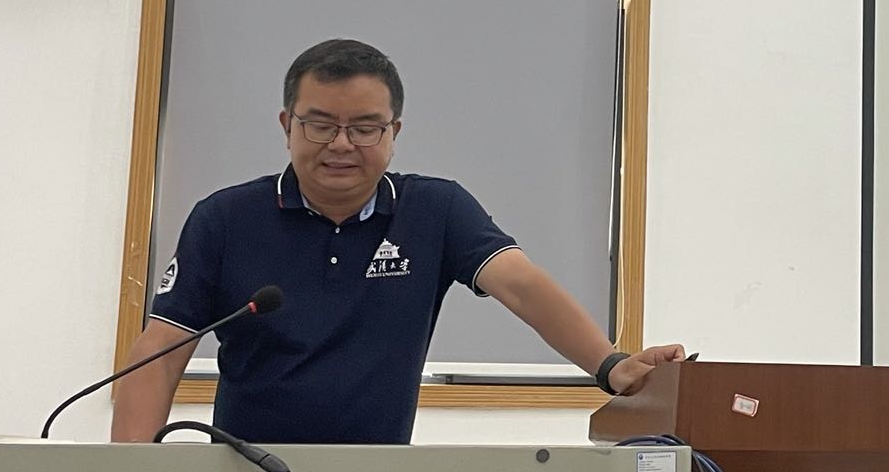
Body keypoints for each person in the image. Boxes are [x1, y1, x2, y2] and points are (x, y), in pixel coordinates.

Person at [111, 38, 683, 444]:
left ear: (394, 133)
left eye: (364, 128)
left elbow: (521, 286)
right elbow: (161, 352)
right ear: (287, 126)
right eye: (320, 125)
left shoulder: (435, 210)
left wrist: (610, 364)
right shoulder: (225, 218)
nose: (341, 144)